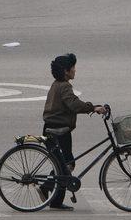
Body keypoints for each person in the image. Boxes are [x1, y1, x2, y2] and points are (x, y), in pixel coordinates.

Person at [41, 54, 110, 210]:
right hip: (58, 131)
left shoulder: (57, 84)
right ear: (66, 71)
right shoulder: (64, 86)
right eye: (73, 67)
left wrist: (92, 107)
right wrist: (93, 108)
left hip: (54, 128)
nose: (75, 70)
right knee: (66, 165)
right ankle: (48, 190)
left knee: (63, 164)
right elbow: (73, 104)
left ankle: (53, 196)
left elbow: (71, 104)